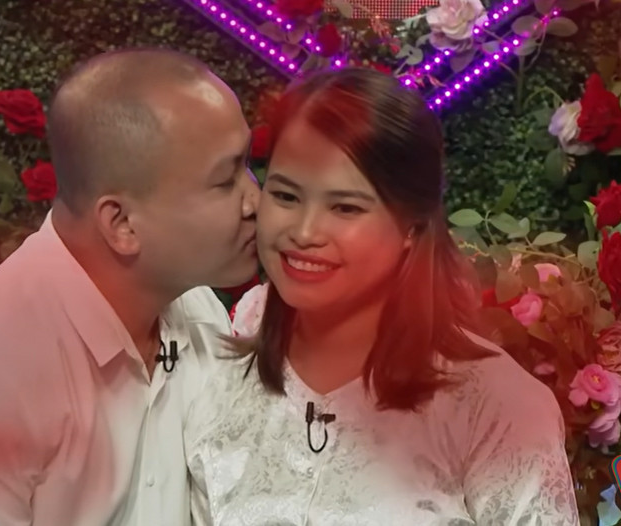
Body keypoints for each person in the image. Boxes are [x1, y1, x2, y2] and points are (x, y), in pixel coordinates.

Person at [0, 48, 260, 526]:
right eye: (226, 181)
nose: (256, 201)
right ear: (122, 224)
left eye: (248, 165)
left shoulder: (196, 307)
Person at [184, 68, 579, 525]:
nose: (304, 232)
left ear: (412, 227)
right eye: (287, 196)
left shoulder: (498, 408)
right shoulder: (220, 354)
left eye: (345, 207)